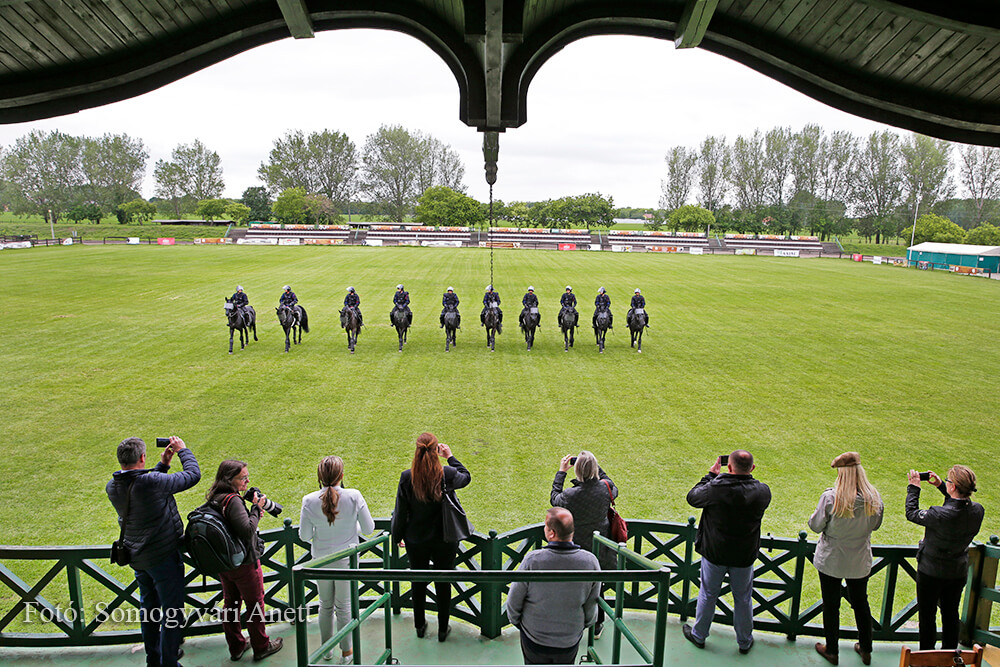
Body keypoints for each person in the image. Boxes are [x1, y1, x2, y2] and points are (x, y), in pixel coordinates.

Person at [106, 436, 201, 667]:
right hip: (163, 557)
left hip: (139, 558)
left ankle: (154, 659)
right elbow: (193, 475)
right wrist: (182, 451)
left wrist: (163, 465)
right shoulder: (150, 483)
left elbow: (143, 486)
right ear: (142, 457)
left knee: (148, 611)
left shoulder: (113, 486)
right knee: (172, 612)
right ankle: (169, 663)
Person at [683, 450, 771, 654]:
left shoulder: (715, 488)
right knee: (743, 598)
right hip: (744, 555)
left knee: (708, 594)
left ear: (729, 467)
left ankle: (699, 635)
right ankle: (744, 641)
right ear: (752, 468)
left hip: (715, 553)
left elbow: (692, 497)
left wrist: (711, 475)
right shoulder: (763, 492)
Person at [391, 433, 471, 642]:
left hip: (416, 539)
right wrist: (450, 456)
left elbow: (400, 511)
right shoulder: (447, 473)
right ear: (436, 451)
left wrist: (397, 536)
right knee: (443, 583)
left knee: (418, 582)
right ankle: (443, 629)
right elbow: (466, 477)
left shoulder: (407, 477)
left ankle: (419, 626)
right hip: (445, 538)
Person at [809, 452, 883, 666]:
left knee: (831, 605)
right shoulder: (874, 497)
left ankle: (832, 650)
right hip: (859, 559)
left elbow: (815, 526)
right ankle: (866, 649)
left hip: (831, 559)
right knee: (860, 603)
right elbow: (876, 525)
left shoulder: (831, 498)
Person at [300, 456, 375, 664]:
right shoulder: (354, 496)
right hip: (346, 561)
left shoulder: (309, 500)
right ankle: (347, 653)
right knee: (344, 607)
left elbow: (305, 536)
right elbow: (369, 529)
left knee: (325, 606)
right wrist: (352, 527)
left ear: (320, 477)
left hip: (320, 561)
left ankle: (326, 651)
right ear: (341, 475)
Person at [206, 460, 284, 662]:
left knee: (231, 603)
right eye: (243, 478)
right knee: (255, 604)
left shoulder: (215, 497)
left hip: (225, 563)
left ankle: (237, 646)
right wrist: (256, 509)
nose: (247, 481)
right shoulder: (233, 501)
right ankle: (261, 646)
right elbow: (247, 530)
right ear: (229, 479)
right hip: (244, 563)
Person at [507, 508, 601, 665]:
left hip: (534, 638)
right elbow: (592, 605)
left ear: (552, 533)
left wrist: (519, 624)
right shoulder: (590, 561)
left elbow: (513, 601)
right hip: (569, 640)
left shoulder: (532, 560)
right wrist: (581, 626)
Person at [906, 465, 984, 650]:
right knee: (950, 614)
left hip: (930, 572)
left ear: (953, 486)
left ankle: (926, 656)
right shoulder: (978, 510)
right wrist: (941, 485)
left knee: (927, 616)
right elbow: (958, 506)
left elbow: (912, 513)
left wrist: (914, 488)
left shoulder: (938, 514)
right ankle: (949, 655)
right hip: (957, 572)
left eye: (948, 481)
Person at [550, 451, 619, 638]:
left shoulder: (571, 495)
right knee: (598, 586)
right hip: (600, 547)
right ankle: (597, 625)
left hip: (576, 549)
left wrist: (561, 472)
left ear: (577, 471)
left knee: (574, 586)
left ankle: (572, 623)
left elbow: (554, 499)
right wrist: (593, 466)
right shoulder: (605, 488)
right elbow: (610, 483)